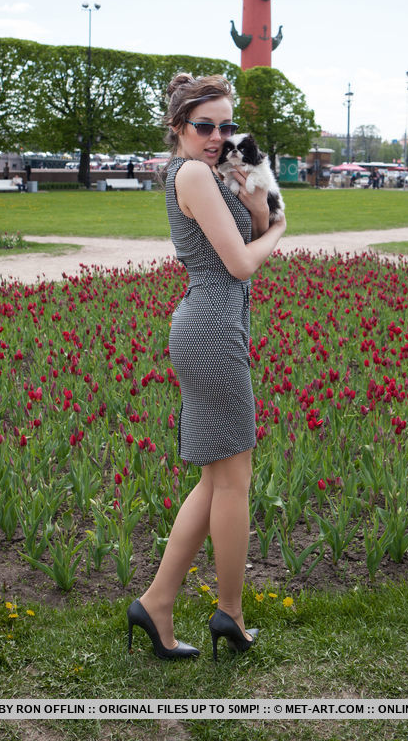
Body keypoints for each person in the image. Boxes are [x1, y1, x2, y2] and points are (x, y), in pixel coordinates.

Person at [126, 73, 286, 662]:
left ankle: (157, 603)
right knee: (234, 482)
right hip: (211, 332)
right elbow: (241, 264)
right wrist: (281, 228)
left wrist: (257, 209)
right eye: (204, 126)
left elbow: (246, 237)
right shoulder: (193, 173)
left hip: (215, 328)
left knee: (215, 480)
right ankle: (231, 614)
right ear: (178, 128)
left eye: (226, 126)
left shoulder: (210, 174)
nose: (218, 137)